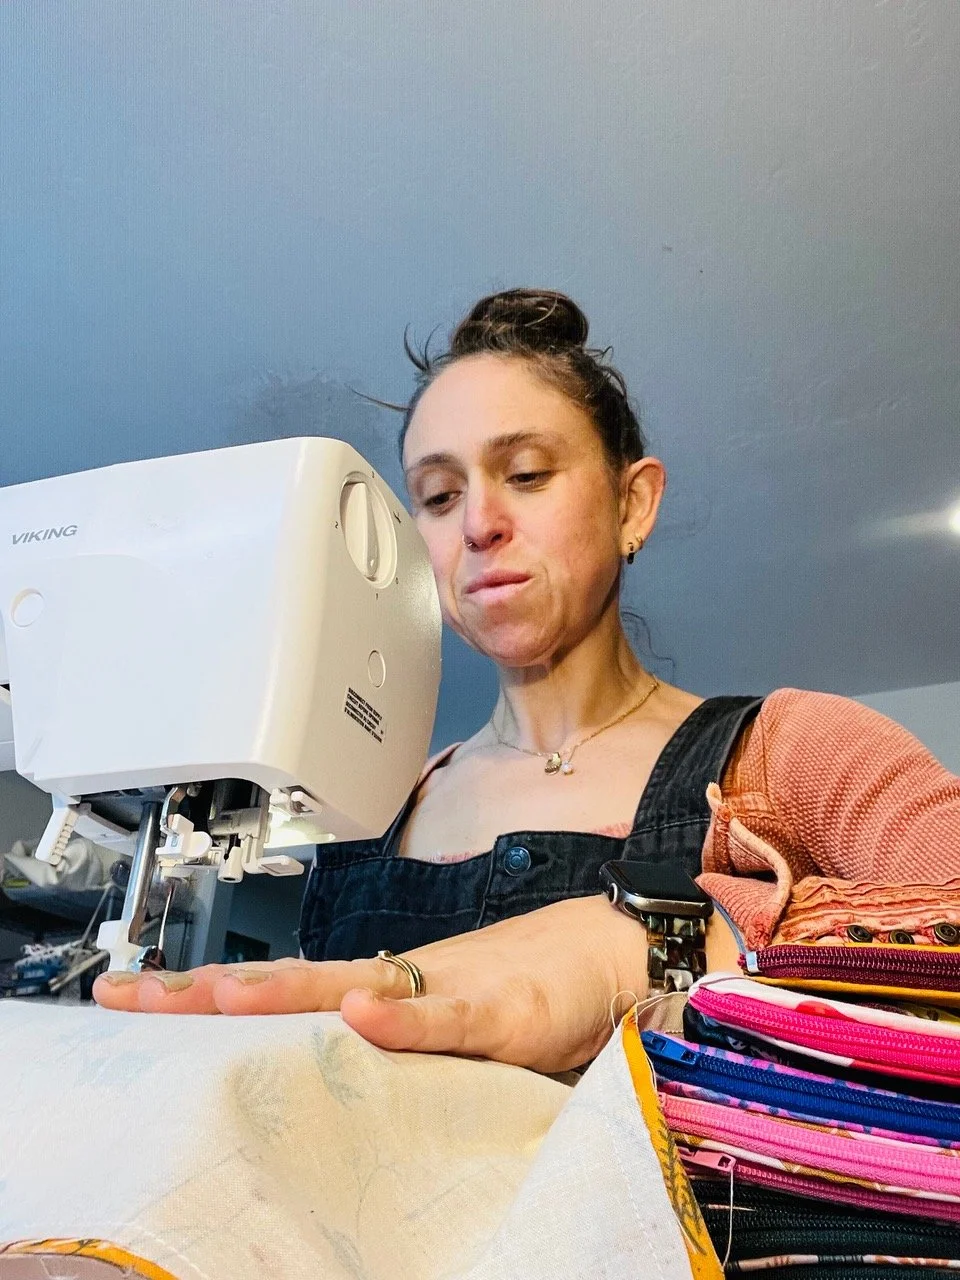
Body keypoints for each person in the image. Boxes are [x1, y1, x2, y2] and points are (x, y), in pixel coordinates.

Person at [93, 289, 960, 1074]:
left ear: (634, 504)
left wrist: (659, 944)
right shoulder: (370, 807)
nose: (477, 524)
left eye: (528, 474)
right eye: (437, 496)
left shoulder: (790, 752)